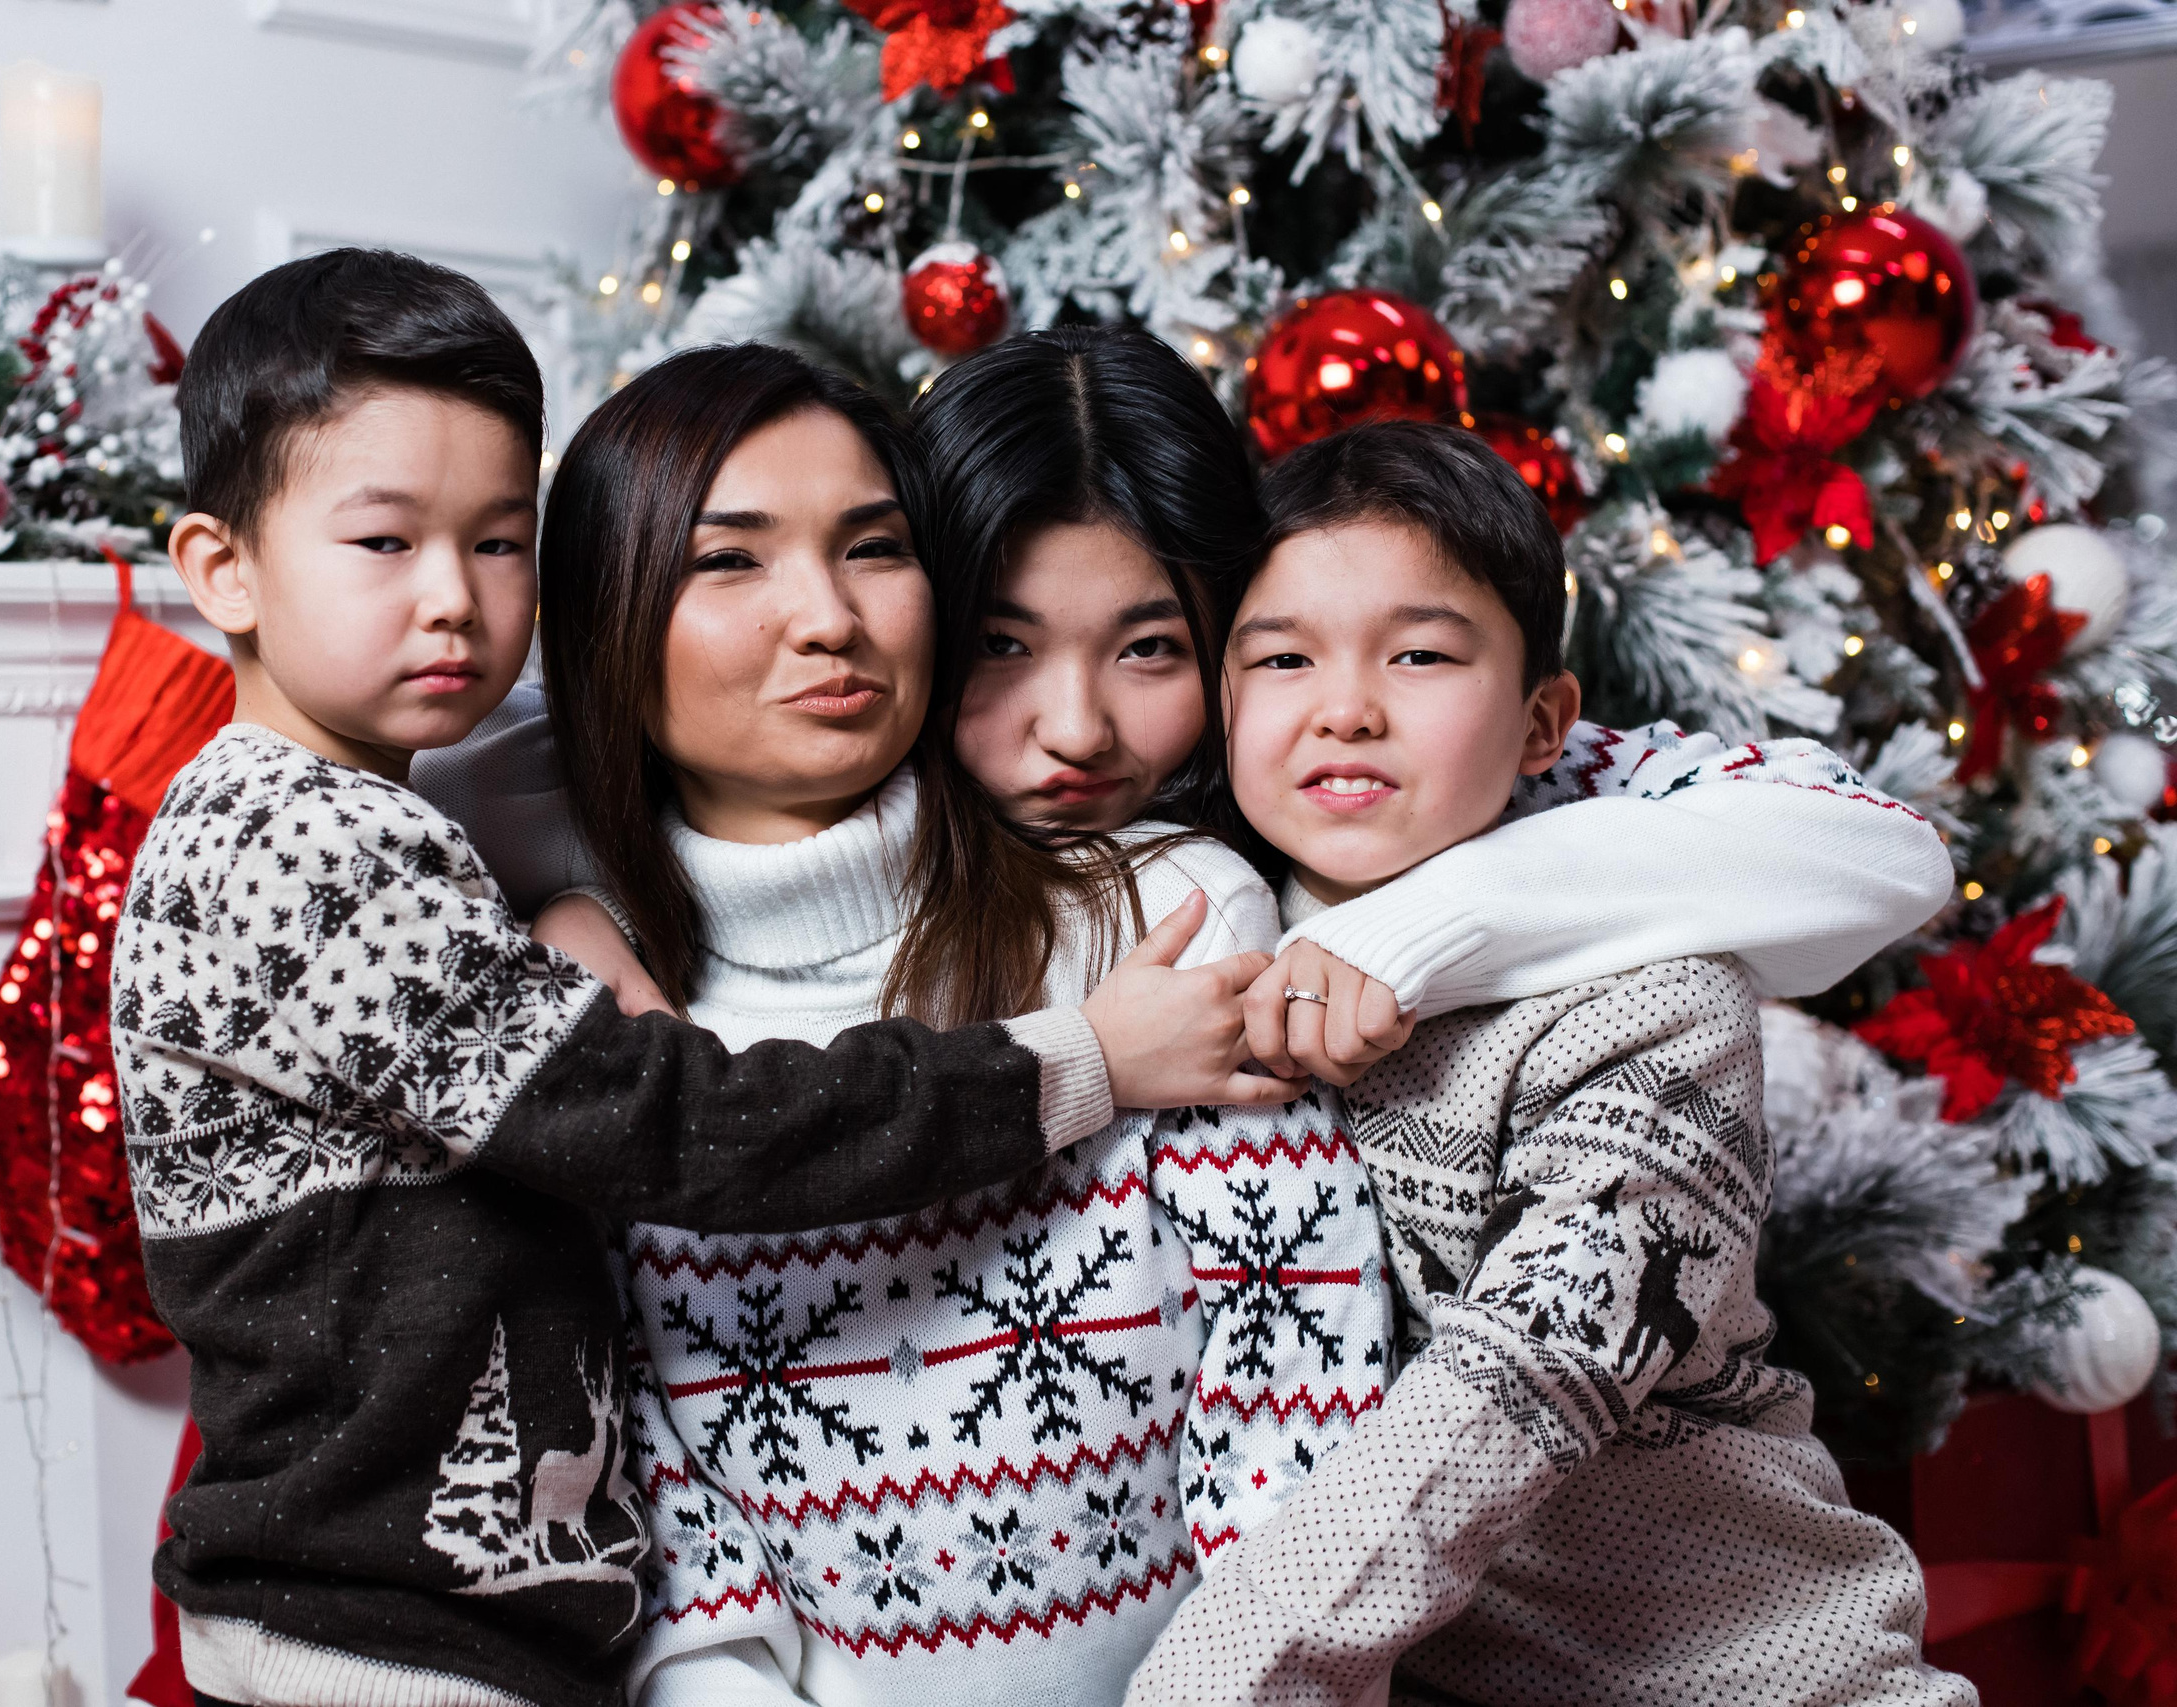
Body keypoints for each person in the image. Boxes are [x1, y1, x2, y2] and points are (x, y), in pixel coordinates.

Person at [495, 331, 1954, 1707]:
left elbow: (1881, 850)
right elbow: (522, 773)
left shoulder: (1310, 881)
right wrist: (575, 913)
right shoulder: (667, 925)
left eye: (1152, 649)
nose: (1076, 732)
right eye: (1002, 647)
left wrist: (1406, 934)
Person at [111, 249, 1293, 1707]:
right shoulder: (305, 844)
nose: (456, 605)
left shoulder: (425, 822)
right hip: (379, 1628)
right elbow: (672, 1125)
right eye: (383, 544)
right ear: (220, 569)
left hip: (486, 1619)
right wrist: (1083, 1059)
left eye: (497, 544)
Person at [1124, 421, 1968, 1707]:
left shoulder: (1656, 1011)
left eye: (1418, 655)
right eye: (1283, 657)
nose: (1345, 705)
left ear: (1543, 726)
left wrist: (1223, 1678)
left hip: (1760, 1678)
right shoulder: (1188, 961)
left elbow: (1512, 1389)